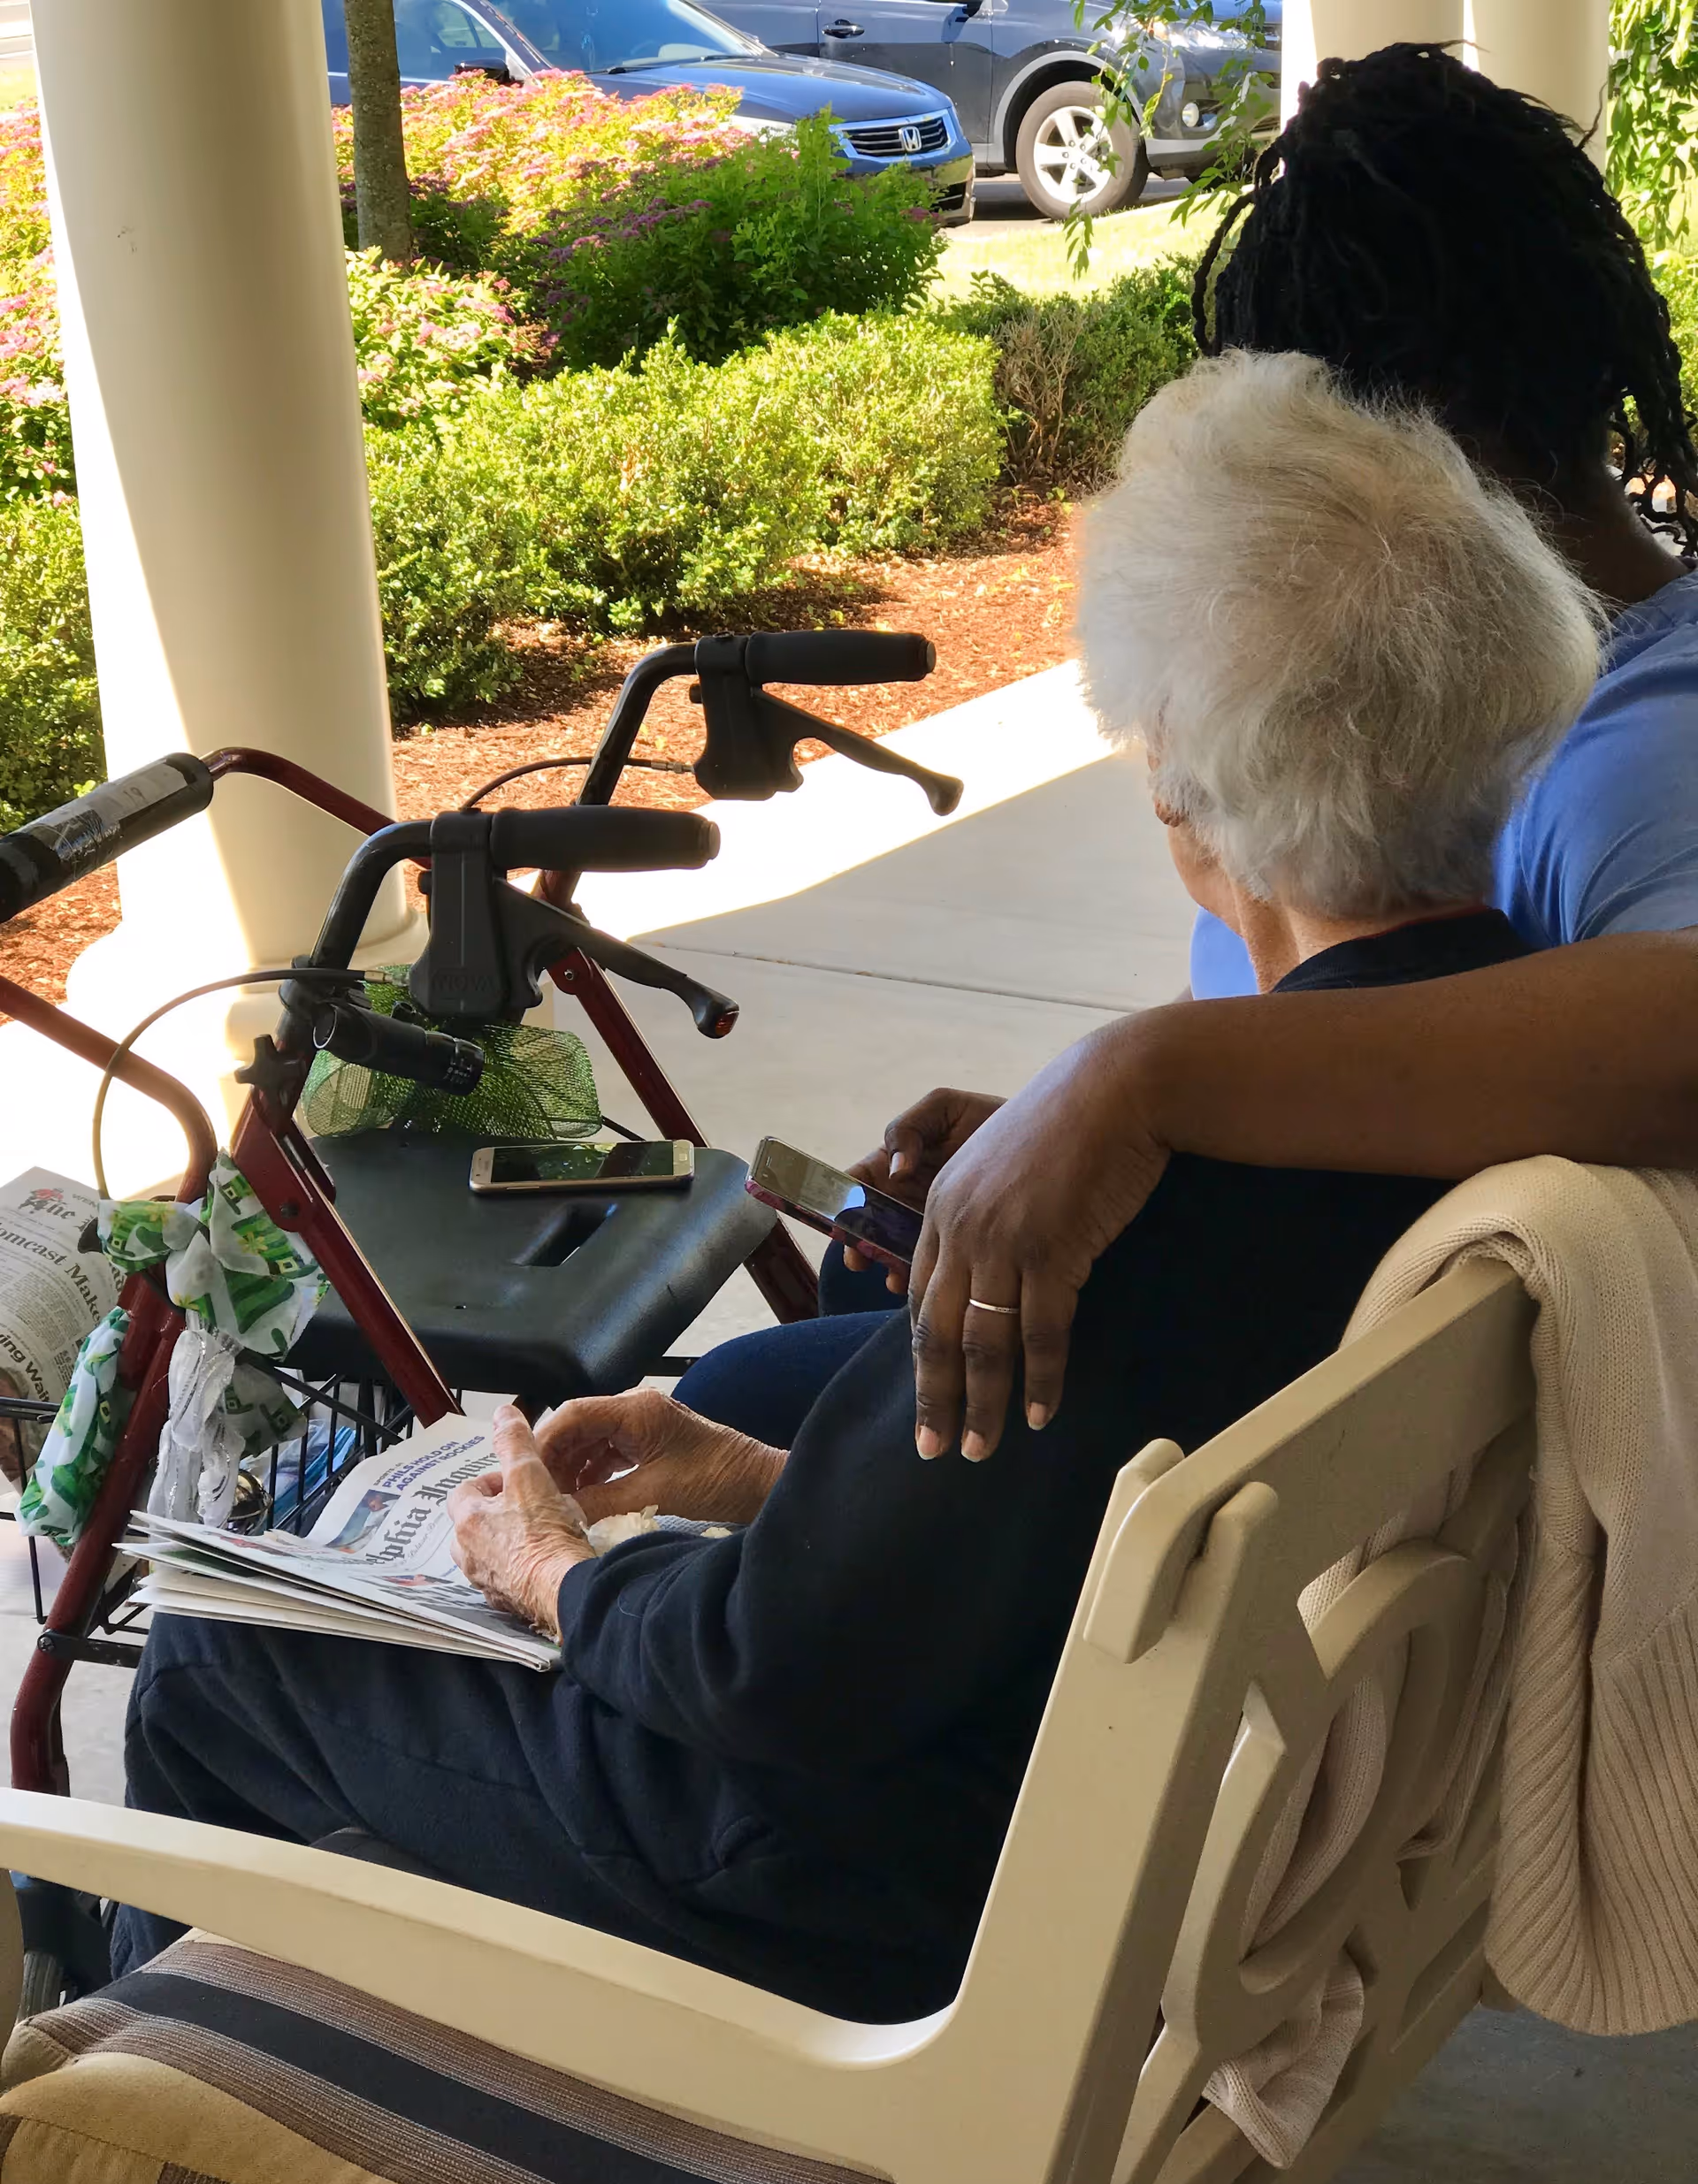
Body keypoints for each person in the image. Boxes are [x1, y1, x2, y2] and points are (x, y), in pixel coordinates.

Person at [113, 350, 1595, 2020]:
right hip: (1119, 1808)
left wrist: (559, 1577)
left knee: (219, 1650)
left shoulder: (1121, 1218)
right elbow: (1033, 1540)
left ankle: (184, 2096)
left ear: (1184, 783)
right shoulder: (1528, 1084)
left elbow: (772, 1678)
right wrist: (749, 1476)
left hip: (906, 1884)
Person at [683, 42, 1698, 1468]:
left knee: (725, 1405)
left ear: (1411, 446)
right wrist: (1070, 1128)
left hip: (1292, 1395)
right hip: (1242, 1286)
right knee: (839, 1303)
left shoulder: (1647, 753)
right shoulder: (1485, 679)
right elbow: (1328, 1009)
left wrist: (1143, 1079)